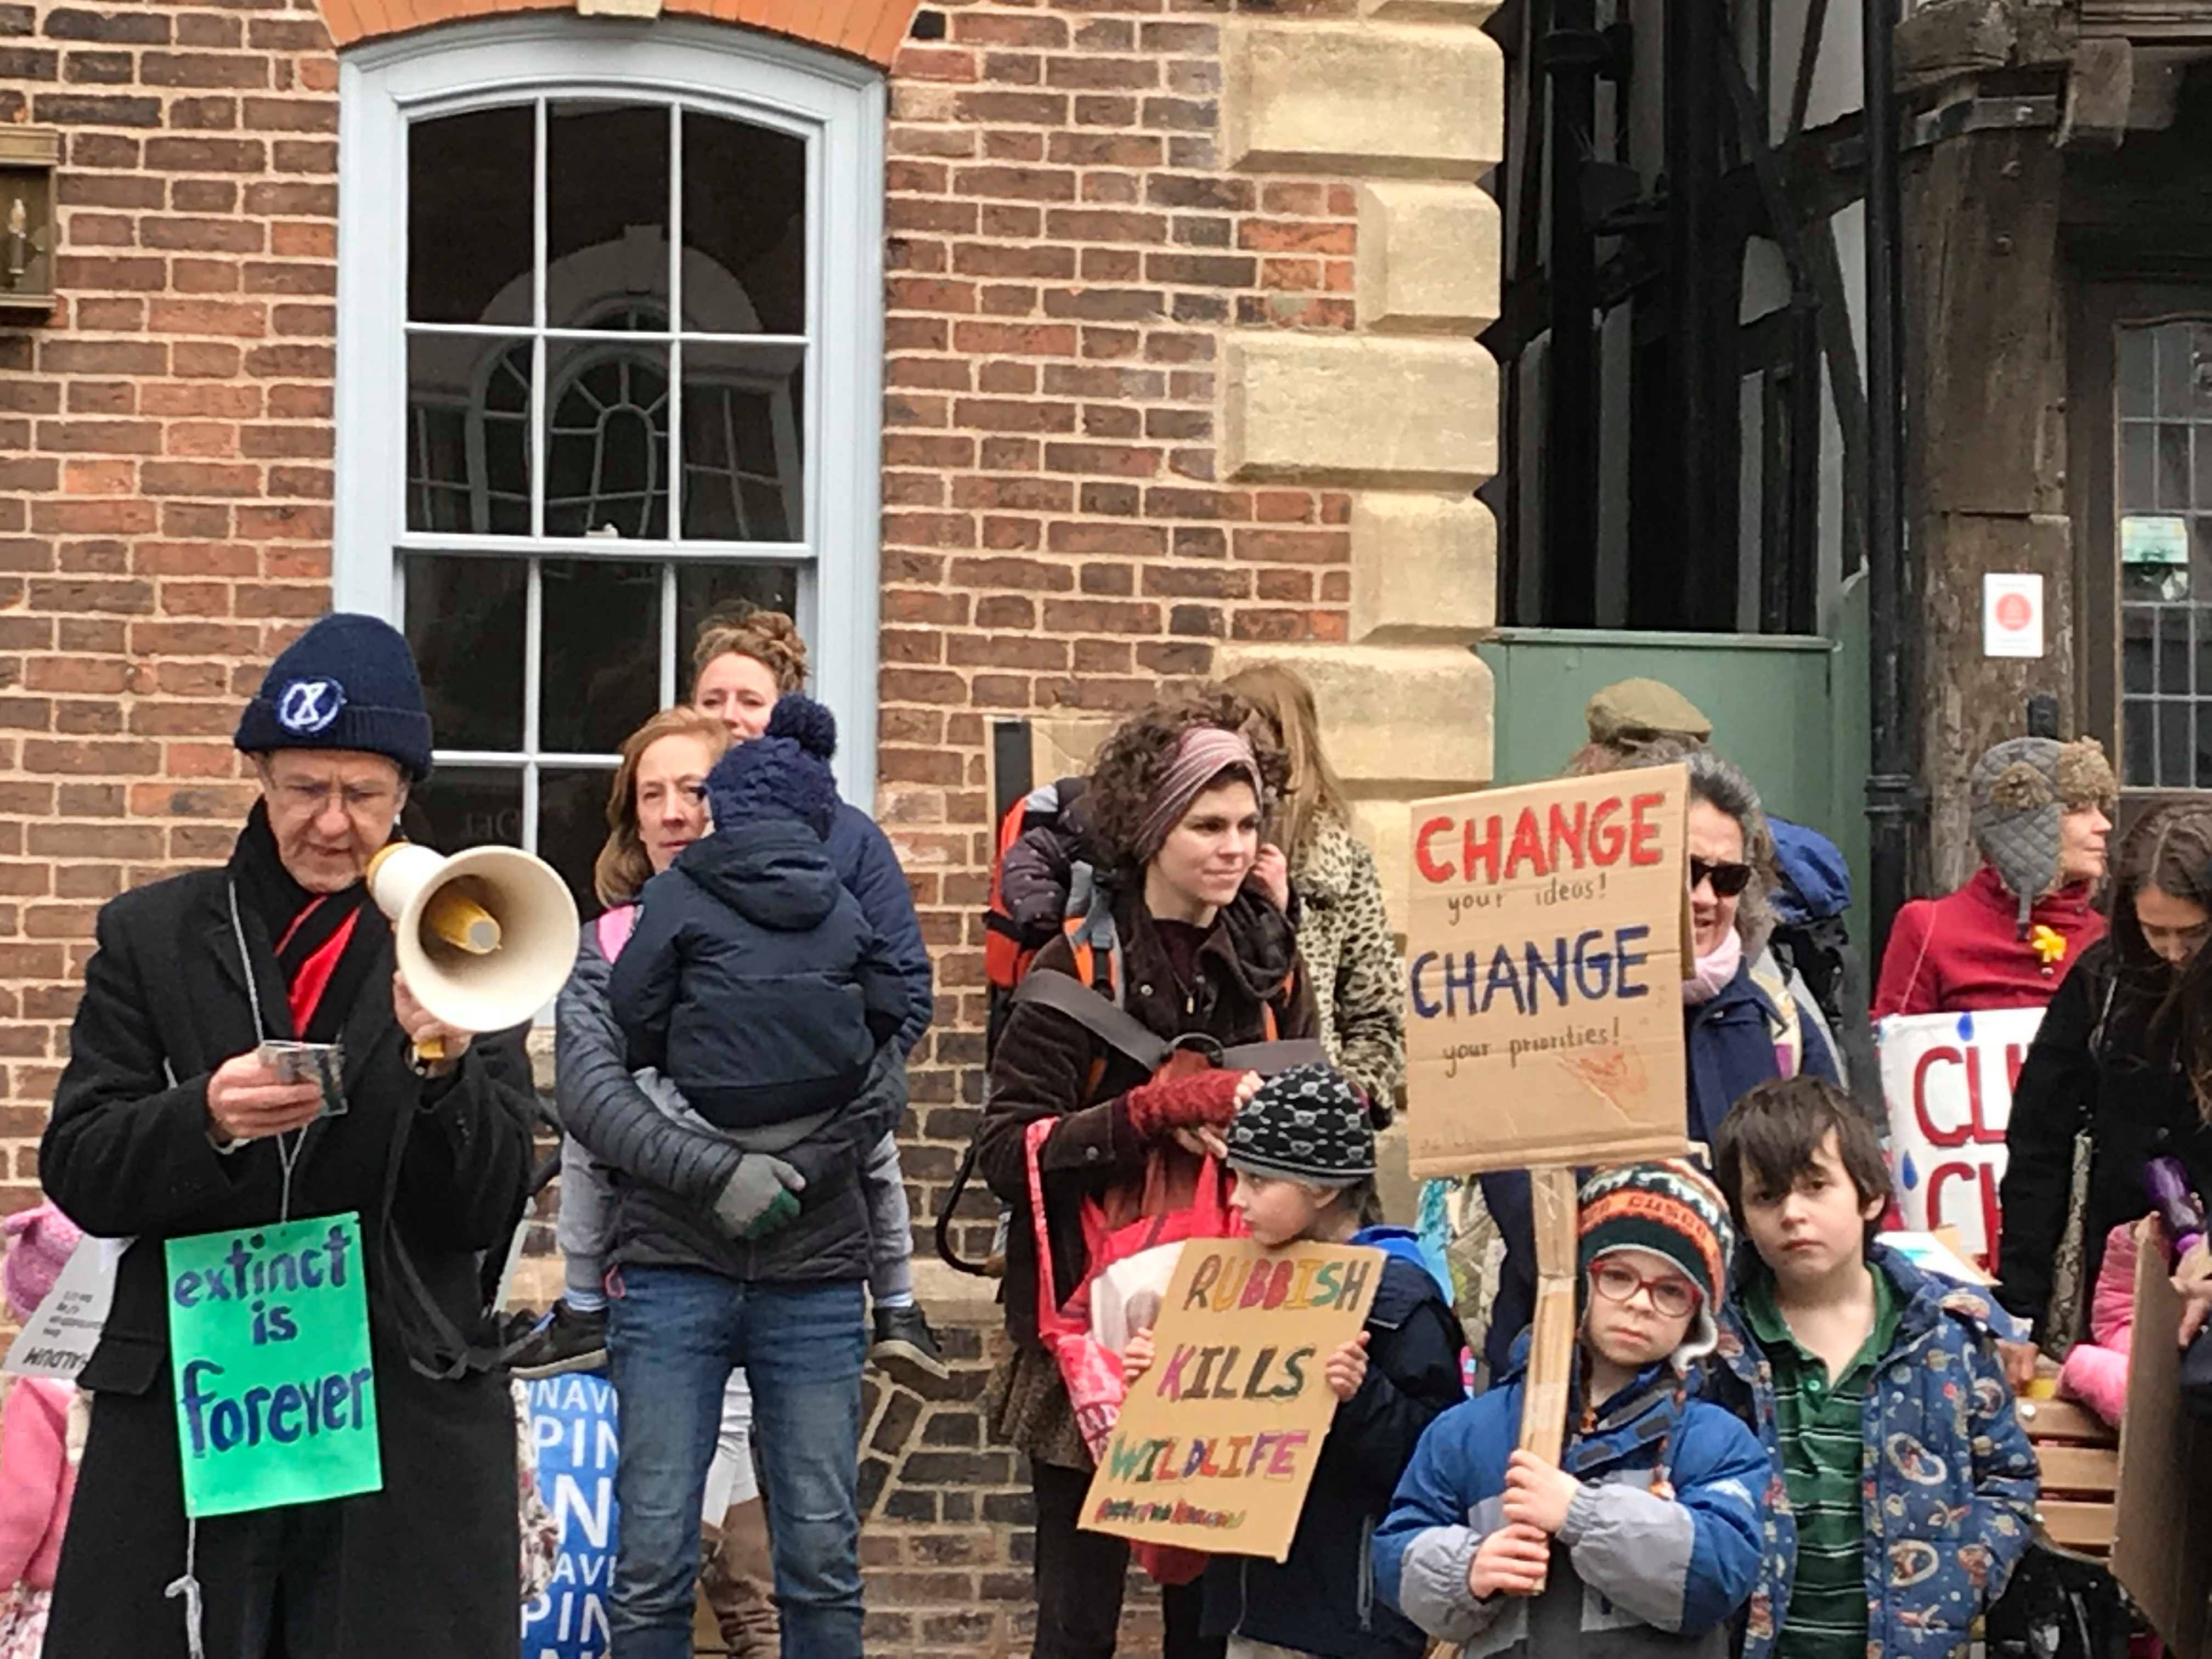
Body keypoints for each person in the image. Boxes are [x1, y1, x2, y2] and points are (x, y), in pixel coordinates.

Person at [38, 612, 539, 1658]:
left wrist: (443, 1065)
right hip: (196, 1398)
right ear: (260, 777)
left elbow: (487, 1206)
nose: (331, 823)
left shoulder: (466, 931)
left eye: (362, 794)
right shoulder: (153, 934)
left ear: (405, 797)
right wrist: (204, 1118)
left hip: (394, 1403)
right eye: (303, 787)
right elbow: (82, 1163)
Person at [977, 690, 1318, 1659]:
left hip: (1230, 1312)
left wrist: (1280, 1123)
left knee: (1204, 1616)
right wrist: (1149, 1113)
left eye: (1248, 824)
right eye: (1208, 823)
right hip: (1088, 1314)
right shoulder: (1075, 960)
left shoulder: (1268, 960)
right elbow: (1006, 1151)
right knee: (1077, 1616)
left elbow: (1314, 1119)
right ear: (1153, 825)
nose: (1234, 846)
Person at [562, 700, 906, 1659]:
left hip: (815, 1264)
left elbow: (885, 1067)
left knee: (822, 1556)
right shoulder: (607, 944)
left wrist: (793, 1168)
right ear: (633, 821)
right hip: (671, 1265)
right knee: (652, 1552)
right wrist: (720, 1172)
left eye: (696, 789)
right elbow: (592, 1093)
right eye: (651, 795)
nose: (674, 811)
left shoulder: (831, 908)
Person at [516, 603, 941, 1379]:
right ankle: (582, 1306)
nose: (730, 716)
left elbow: (900, 992)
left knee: (798, 1474)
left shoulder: (845, 841)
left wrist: (829, 1088)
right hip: (680, 1202)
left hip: (817, 1139)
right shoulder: (649, 905)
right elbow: (622, 1027)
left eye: (750, 701)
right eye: (713, 701)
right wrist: (698, 1140)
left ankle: (901, 1302)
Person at [1116, 1063, 1462, 1659]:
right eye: (1236, 1177)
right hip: (1252, 1605)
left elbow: (1435, 1457)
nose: (1237, 1200)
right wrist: (1160, 1382)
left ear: (1322, 1188)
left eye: (1257, 1181)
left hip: (1350, 1617)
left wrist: (1361, 1397)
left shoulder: (1399, 1300)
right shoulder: (1229, 1288)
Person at [1373, 1161, 1766, 1659]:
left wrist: (1579, 1514)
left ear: (1699, 1315)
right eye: (1618, 1277)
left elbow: (1718, 1576)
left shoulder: (1716, 1442)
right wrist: (1466, 1572)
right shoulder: (1469, 1431)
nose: (1640, 1305)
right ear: (1581, 1281)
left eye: (1670, 1291)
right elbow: (1395, 1556)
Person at [1709, 1077, 2038, 1659]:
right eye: (1766, 1197)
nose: (1792, 1214)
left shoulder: (1945, 1333)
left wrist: (1965, 1575)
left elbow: (2008, 1475)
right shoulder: (1717, 1345)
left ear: (1870, 1195)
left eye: (1816, 1187)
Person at [1996, 803, 2212, 1377]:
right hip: (2121, 1277)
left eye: (2193, 933)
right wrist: (2020, 1308)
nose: (2172, 951)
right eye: (2154, 930)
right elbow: (2039, 1146)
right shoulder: (2103, 982)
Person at [1221, 665, 1406, 1116]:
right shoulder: (1202, 858)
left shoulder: (1341, 867)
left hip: (1312, 1130)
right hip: (1218, 1118)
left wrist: (1345, 1102)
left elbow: (1379, 1018)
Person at [1872, 736, 2115, 1018]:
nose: (2104, 825)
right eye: (2079, 809)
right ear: (2026, 824)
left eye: (2099, 808)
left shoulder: (2109, 939)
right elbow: (1899, 1048)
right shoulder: (1929, 930)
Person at [1680, 749, 1840, 1150]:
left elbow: (1836, 1177)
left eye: (1728, 878)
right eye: (1687, 871)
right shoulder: (1574, 1019)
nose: (1706, 897)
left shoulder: (1782, 1024)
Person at [0, 1204, 82, 1659]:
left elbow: (21, 1507)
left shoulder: (41, 1391)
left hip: (54, 1606)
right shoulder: (139, 1386)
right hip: (131, 1595)